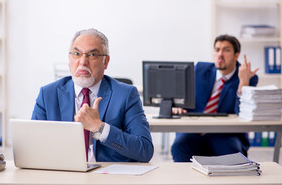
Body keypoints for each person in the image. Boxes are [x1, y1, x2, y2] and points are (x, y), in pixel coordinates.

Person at [31, 28, 154, 163]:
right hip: (63, 174)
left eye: (92, 55)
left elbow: (144, 150)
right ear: (69, 59)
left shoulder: (126, 95)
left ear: (105, 62)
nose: (83, 62)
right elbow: (32, 147)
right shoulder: (48, 94)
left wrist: (99, 128)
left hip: (109, 177)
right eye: (77, 53)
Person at [171, 34, 259, 162]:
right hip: (194, 130)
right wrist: (178, 106)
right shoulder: (200, 69)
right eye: (217, 50)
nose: (220, 54)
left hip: (225, 134)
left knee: (233, 153)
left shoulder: (247, 77)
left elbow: (242, 114)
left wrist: (243, 85)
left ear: (236, 55)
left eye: (226, 50)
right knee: (179, 146)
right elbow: (181, 94)